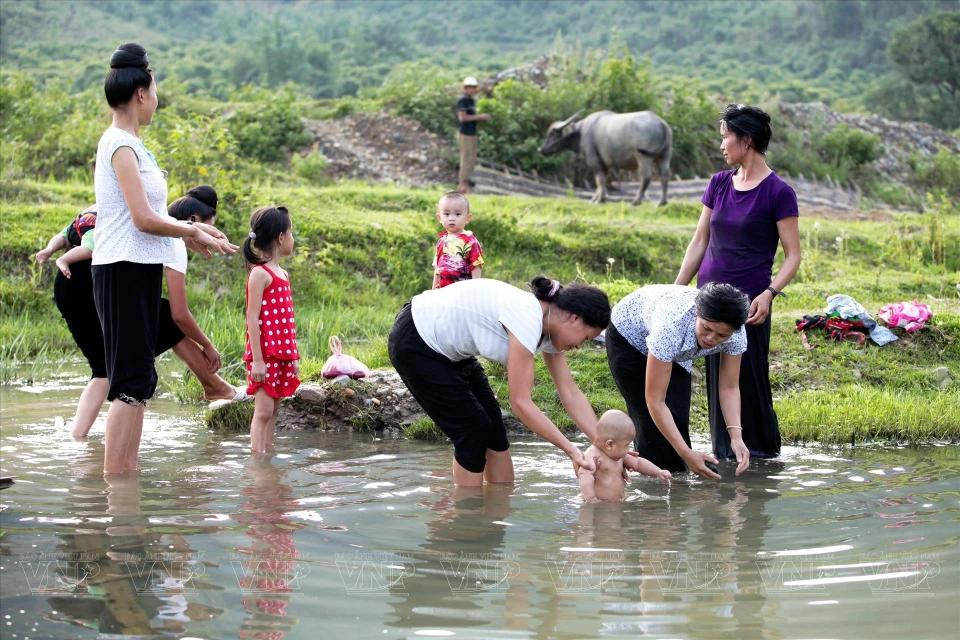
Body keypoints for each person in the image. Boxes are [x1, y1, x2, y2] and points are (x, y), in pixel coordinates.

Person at [92, 43, 235, 474]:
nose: (156, 100)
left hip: (137, 269)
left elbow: (153, 218)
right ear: (140, 94)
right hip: (120, 270)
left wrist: (190, 235)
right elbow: (141, 218)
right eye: (155, 91)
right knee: (129, 383)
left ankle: (126, 482)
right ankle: (118, 492)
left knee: (138, 380)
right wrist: (191, 229)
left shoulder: (135, 145)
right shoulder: (119, 144)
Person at [34, 191, 241, 440]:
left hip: (66, 285)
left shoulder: (127, 211)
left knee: (104, 368)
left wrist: (50, 251)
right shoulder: (173, 240)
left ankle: (77, 441)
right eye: (211, 231)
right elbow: (179, 314)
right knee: (158, 325)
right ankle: (214, 386)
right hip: (93, 284)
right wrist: (207, 345)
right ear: (194, 221)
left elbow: (69, 234)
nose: (210, 240)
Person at [388, 275, 610, 487]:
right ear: (574, 318)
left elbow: (569, 391)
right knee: (472, 430)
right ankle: (467, 515)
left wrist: (606, 446)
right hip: (416, 340)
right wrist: (571, 450)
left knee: (493, 427)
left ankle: (499, 508)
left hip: (453, 352)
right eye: (586, 338)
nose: (580, 346)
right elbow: (521, 403)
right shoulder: (527, 317)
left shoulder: (550, 328)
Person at [675, 104, 801, 462]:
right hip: (708, 302)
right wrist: (678, 288)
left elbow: (793, 255)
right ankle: (725, 454)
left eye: (725, 137)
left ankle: (761, 455)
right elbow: (699, 241)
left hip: (750, 305)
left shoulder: (779, 192)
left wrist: (770, 292)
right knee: (718, 382)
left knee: (749, 380)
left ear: (746, 140)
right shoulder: (718, 183)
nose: (722, 145)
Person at [606, 283, 751, 480]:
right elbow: (655, 401)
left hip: (675, 350)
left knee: (677, 419)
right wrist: (685, 453)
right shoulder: (672, 326)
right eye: (707, 328)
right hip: (629, 336)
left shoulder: (736, 333)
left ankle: (677, 483)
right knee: (651, 426)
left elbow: (729, 387)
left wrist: (736, 437)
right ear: (697, 313)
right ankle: (653, 494)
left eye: (721, 335)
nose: (711, 339)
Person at [242, 206, 300, 454]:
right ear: (280, 238)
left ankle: (267, 457)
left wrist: (293, 356)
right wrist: (257, 360)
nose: (293, 239)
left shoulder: (283, 274)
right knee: (263, 411)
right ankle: (258, 464)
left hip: (282, 354)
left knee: (274, 411)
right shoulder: (260, 274)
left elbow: (288, 320)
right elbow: (252, 318)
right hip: (265, 355)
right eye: (291, 233)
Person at [577, 409, 671, 503]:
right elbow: (584, 476)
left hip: (619, 502)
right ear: (610, 444)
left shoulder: (619, 455)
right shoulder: (593, 457)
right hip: (601, 505)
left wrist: (658, 471)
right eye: (627, 445)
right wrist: (591, 499)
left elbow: (638, 463)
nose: (628, 450)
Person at [432, 191, 484, 289]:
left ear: (468, 218)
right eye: (446, 214)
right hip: (443, 291)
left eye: (457, 214)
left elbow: (476, 266)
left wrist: (475, 289)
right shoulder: (442, 241)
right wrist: (433, 290)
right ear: (439, 217)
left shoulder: (470, 241)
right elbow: (438, 269)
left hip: (463, 291)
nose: (452, 218)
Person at [455, 76, 490, 194]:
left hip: (472, 132)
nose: (471, 90)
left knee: (471, 159)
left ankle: (465, 185)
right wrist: (479, 117)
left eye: (473, 87)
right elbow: (462, 117)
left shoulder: (471, 101)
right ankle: (463, 185)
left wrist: (480, 119)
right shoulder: (463, 100)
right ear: (465, 88)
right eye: (469, 87)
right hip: (465, 133)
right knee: (466, 159)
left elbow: (470, 117)